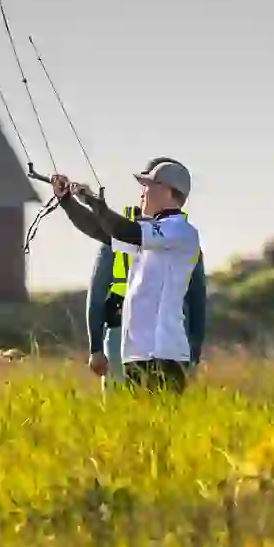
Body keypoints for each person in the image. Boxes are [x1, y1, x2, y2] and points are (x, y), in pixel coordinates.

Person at [53, 160, 202, 394]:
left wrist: (94, 201)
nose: (141, 193)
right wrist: (67, 202)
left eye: (147, 186)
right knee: (141, 427)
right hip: (138, 354)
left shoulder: (179, 231)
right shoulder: (152, 234)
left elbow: (124, 230)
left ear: (166, 190)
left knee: (161, 425)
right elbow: (100, 230)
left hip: (164, 354)